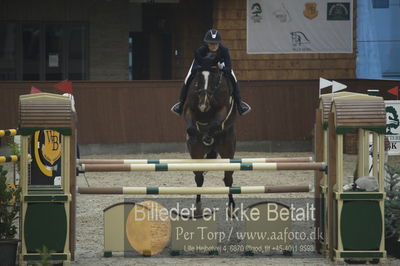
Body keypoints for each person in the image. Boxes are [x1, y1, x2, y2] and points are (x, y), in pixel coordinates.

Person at [171, 29, 251, 116]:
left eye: (215, 43)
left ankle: (239, 104)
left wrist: (222, 68)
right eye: (211, 43)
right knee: (189, 76)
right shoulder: (201, 50)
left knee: (233, 76)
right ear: (207, 43)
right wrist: (201, 67)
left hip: (220, 66)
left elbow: (228, 67)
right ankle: (180, 104)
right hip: (202, 67)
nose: (213, 46)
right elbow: (195, 67)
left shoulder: (224, 50)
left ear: (219, 43)